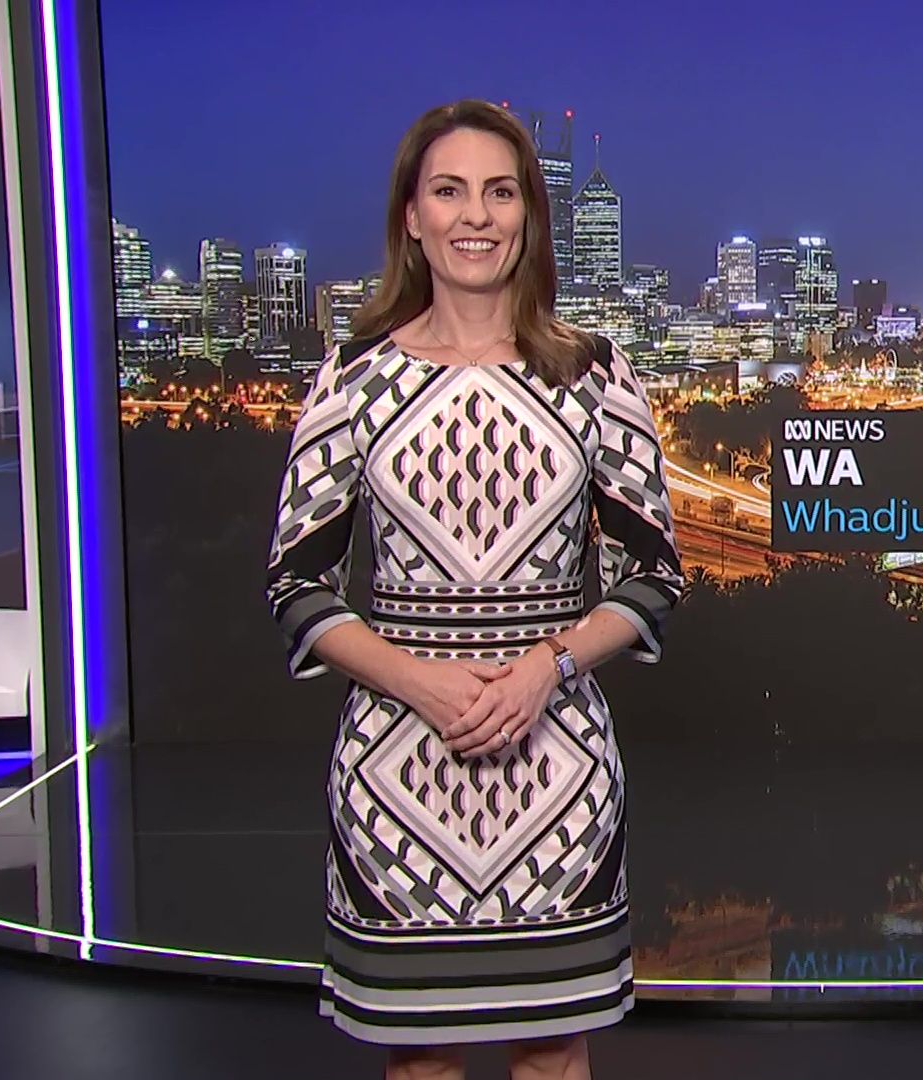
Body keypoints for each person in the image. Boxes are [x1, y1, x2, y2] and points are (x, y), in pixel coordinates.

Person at [265, 99, 685, 1080]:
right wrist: (421, 682)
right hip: (396, 773)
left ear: (530, 214)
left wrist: (546, 669)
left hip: (558, 769)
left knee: (552, 1055)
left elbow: (653, 573)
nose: (476, 215)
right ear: (412, 216)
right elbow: (296, 582)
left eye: (500, 192)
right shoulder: (352, 376)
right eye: (449, 191)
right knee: (420, 1064)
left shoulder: (593, 372)